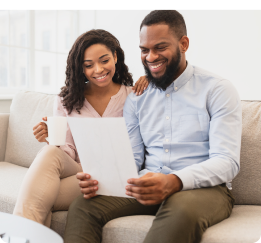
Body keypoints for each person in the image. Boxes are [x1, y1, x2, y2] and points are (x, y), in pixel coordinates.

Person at [64, 9, 242, 243]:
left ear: (184, 44)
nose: (150, 57)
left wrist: (174, 181)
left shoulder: (217, 90)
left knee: (181, 210)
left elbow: (227, 162)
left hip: (202, 189)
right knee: (83, 206)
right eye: (144, 50)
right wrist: (103, 179)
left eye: (160, 47)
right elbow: (133, 158)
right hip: (146, 182)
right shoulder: (137, 98)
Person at [13, 29, 148, 227]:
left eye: (104, 60)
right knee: (50, 152)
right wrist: (52, 138)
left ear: (115, 57)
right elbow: (67, 151)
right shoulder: (67, 100)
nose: (98, 70)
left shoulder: (134, 96)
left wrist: (152, 79)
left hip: (113, 176)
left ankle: (20, 236)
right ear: (80, 68)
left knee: (39, 197)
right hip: (77, 170)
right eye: (88, 65)